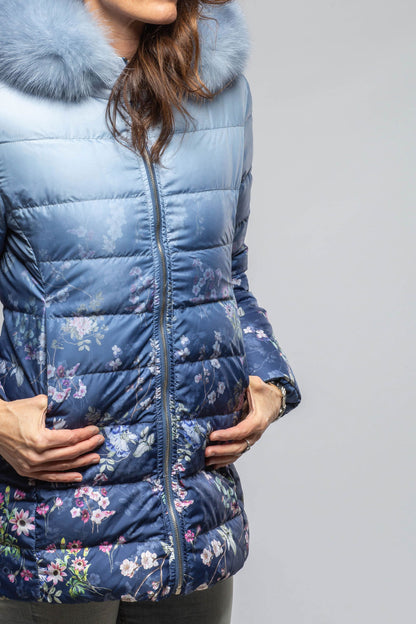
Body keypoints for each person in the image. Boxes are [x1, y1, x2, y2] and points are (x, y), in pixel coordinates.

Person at [0, 0, 301, 622]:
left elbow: (228, 272)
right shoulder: (10, 102)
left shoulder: (220, 93)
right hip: (56, 531)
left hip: (194, 522)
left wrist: (269, 381)